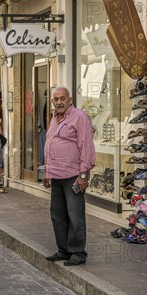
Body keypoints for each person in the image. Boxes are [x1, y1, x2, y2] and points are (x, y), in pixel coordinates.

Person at [43, 87, 95, 267]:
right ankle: (63, 249)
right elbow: (50, 145)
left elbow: (86, 147)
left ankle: (78, 252)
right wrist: (47, 171)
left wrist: (83, 175)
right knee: (57, 214)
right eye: (55, 99)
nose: (59, 102)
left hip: (73, 175)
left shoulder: (80, 118)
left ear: (70, 100)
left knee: (75, 215)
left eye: (62, 98)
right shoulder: (54, 118)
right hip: (55, 174)